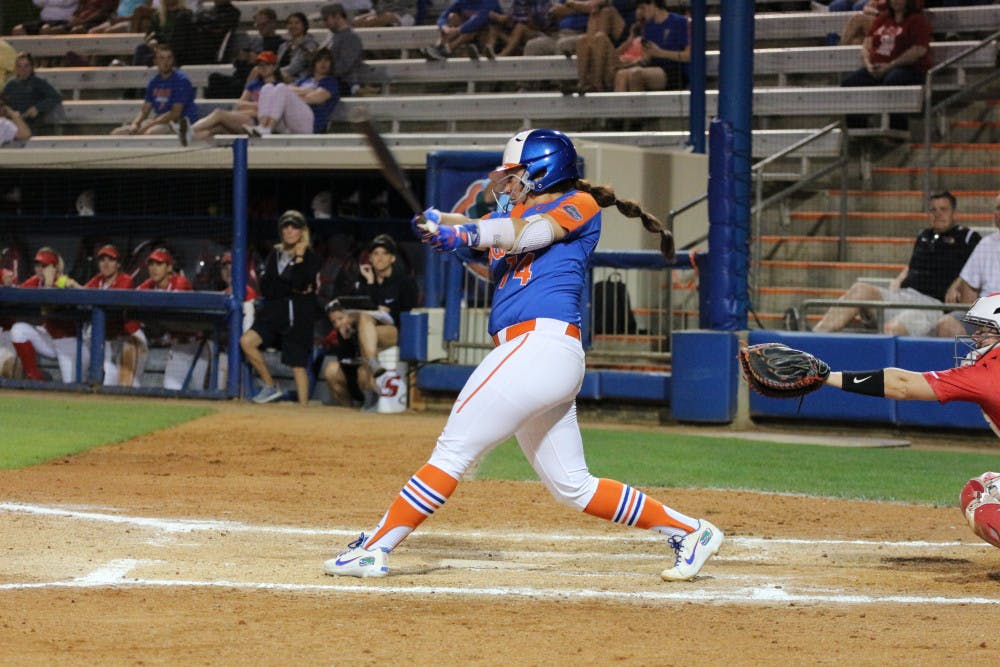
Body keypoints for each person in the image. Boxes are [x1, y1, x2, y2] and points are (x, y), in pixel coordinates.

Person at [323, 128, 722, 581]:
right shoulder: (513, 217)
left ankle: (374, 548)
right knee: (573, 486)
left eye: (515, 176)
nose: (507, 184)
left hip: (540, 347)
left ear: (543, 171)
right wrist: (443, 224)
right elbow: (495, 238)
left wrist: (464, 232)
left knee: (452, 451)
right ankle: (691, 531)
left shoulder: (577, 205)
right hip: (535, 355)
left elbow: (530, 233)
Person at [823, 292, 1000, 548]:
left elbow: (902, 385)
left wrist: (827, 377)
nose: (975, 338)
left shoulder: (987, 372)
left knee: (982, 507)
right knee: (981, 488)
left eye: (985, 331)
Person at [813, 191, 980, 336]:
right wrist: (898, 280)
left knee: (892, 329)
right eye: (933, 210)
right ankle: (812, 340)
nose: (938, 214)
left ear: (955, 213)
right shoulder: (924, 235)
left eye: (943, 209)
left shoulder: (967, 237)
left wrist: (957, 282)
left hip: (930, 306)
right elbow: (912, 265)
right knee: (860, 289)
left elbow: (978, 265)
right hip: (903, 296)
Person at [240, 210, 322, 405]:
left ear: (302, 231)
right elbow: (267, 287)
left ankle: (303, 410)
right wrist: (289, 284)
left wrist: (299, 260)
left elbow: (301, 282)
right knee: (246, 342)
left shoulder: (310, 256)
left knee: (297, 366)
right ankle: (270, 385)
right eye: (286, 226)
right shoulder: (274, 254)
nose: (289, 230)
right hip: (273, 312)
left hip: (297, 314)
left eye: (294, 227)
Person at [341, 233, 417, 410]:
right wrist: (370, 283)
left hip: (394, 331)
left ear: (392, 258)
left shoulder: (404, 282)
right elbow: (361, 307)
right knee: (365, 319)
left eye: (384, 253)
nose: (379, 258)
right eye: (375, 254)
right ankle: (372, 377)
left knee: (365, 322)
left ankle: (371, 374)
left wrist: (389, 312)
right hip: (370, 333)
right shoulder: (366, 281)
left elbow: (408, 314)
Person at [840, 0, 931, 130]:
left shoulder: (917, 20)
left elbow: (918, 50)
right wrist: (868, 65)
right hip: (877, 66)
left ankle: (898, 130)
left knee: (893, 80)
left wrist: (890, 66)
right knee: (849, 83)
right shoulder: (883, 19)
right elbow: (867, 44)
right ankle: (857, 131)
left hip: (907, 68)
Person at [134, 247, 210, 391]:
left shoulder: (180, 282)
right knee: (170, 389)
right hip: (177, 347)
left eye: (159, 264)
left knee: (200, 392)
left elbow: (168, 306)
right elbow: (131, 296)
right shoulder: (149, 285)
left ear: (169, 267)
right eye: (151, 264)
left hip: (198, 345)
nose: (154, 268)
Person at [10, 246, 84, 384]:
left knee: (70, 386)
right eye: (37, 264)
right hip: (48, 339)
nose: (39, 268)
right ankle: (35, 377)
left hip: (68, 343)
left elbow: (50, 305)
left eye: (44, 265)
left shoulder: (63, 281)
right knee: (18, 330)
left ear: (54, 267)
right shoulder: (36, 281)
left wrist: (52, 283)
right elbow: (16, 294)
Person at [934, 193, 1000, 337]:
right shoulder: (985, 245)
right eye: (998, 208)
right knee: (947, 324)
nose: (999, 213)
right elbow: (969, 296)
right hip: (986, 318)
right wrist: (982, 320)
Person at [111, 44, 199, 142]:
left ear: (173, 60)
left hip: (178, 123)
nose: (166, 62)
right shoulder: (154, 82)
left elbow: (175, 113)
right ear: (155, 61)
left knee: (150, 133)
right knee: (117, 133)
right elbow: (145, 110)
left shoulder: (181, 81)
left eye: (169, 58)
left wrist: (148, 125)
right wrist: (135, 123)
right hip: (158, 121)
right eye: (162, 58)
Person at [244, 49, 340, 137]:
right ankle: (262, 126)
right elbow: (289, 88)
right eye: (319, 60)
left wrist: (289, 96)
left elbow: (315, 99)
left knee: (281, 89)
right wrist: (306, 91)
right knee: (267, 87)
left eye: (327, 60)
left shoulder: (330, 82)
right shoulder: (303, 80)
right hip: (290, 122)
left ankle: (268, 128)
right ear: (314, 63)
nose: (323, 63)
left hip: (310, 124)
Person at [189, 50, 279, 142]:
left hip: (257, 122)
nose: (263, 68)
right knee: (217, 128)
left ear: (274, 67)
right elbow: (240, 105)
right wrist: (257, 107)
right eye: (260, 65)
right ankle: (187, 138)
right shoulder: (253, 84)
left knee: (219, 113)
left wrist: (254, 109)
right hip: (245, 118)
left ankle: (190, 130)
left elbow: (272, 111)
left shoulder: (278, 87)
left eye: (266, 64)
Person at [79, 244, 137, 386]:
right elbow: (82, 294)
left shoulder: (125, 280)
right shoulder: (98, 280)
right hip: (108, 339)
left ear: (118, 264)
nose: (105, 264)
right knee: (108, 378)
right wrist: (73, 285)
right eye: (102, 260)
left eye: (110, 260)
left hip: (130, 338)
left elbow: (112, 304)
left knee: (128, 383)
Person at [204, 7, 286, 100]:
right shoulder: (255, 41)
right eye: (258, 25)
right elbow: (238, 64)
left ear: (272, 23)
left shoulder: (280, 43)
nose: (260, 28)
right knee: (214, 78)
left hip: (258, 79)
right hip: (241, 76)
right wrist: (242, 58)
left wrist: (257, 60)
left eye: (263, 25)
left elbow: (276, 65)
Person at [613, 0, 688, 92]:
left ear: (653, 4)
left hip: (674, 70)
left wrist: (661, 53)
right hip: (653, 67)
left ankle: (638, 106)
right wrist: (627, 64)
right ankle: (621, 106)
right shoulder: (648, 27)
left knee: (636, 74)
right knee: (621, 74)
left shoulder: (679, 21)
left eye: (642, 8)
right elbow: (647, 58)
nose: (640, 12)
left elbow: (688, 55)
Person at [2, 53, 65, 135]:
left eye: (26, 66)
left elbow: (56, 97)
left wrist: (37, 108)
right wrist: (11, 113)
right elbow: (3, 102)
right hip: (13, 122)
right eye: (19, 66)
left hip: (33, 124)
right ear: (16, 68)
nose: (23, 69)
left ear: (31, 67)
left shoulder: (38, 82)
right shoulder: (10, 84)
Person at [319, 298, 366, 407]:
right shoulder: (340, 333)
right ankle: (346, 410)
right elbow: (344, 358)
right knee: (331, 369)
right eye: (334, 322)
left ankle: (369, 405)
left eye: (341, 318)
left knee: (364, 372)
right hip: (350, 373)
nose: (338, 324)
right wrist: (346, 339)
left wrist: (354, 336)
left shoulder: (365, 328)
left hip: (366, 375)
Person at [421, 0, 500, 61]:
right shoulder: (461, 1)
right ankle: (440, 47)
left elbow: (479, 20)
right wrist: (444, 26)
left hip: (489, 35)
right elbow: (443, 16)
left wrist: (458, 30)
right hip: (466, 35)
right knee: (452, 16)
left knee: (474, 27)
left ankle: (446, 49)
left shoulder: (489, 1)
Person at [318, 3, 364, 97]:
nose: (324, 23)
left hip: (344, 83)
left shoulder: (350, 38)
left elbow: (344, 66)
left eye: (326, 19)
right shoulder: (333, 36)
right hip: (331, 81)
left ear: (337, 16)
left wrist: (322, 71)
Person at [132, 0, 194, 67]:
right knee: (141, 49)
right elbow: (150, 35)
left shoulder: (186, 14)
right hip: (158, 48)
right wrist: (152, 40)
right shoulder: (157, 15)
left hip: (177, 50)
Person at [276, 12, 319, 84]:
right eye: (290, 23)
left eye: (297, 23)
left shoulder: (310, 45)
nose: (293, 26)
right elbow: (277, 64)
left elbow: (296, 67)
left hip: (299, 79)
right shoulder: (283, 46)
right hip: (281, 76)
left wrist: (274, 72)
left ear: (304, 25)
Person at [12, 0, 79, 36]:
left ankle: (44, 60)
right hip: (44, 20)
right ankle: (28, 59)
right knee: (18, 30)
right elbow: (38, 2)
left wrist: (49, 2)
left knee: (45, 29)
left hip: (64, 21)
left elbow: (66, 2)